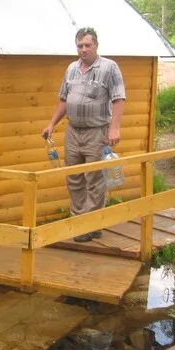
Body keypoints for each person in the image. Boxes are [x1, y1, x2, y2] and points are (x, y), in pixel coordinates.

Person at [41, 27, 126, 242]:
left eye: (88, 45)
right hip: (73, 131)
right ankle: (78, 219)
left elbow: (119, 99)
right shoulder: (71, 69)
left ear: (96, 45)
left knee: (95, 178)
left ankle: (90, 224)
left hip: (97, 132)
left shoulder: (109, 68)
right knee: (74, 177)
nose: (84, 49)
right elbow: (63, 99)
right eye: (80, 46)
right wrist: (52, 124)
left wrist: (114, 128)